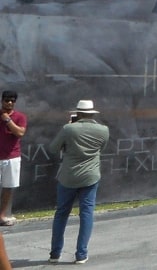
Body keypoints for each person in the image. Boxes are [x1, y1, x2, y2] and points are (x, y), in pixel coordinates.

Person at [48, 100, 110, 264]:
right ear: (92, 113)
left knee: (61, 213)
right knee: (87, 214)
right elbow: (101, 149)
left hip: (68, 177)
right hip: (90, 176)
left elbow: (53, 148)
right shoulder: (103, 130)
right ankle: (81, 254)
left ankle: (55, 253)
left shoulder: (68, 129)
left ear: (78, 113)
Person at [0, 91, 26, 226]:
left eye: (12, 100)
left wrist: (7, 120)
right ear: (2, 100)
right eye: (6, 100)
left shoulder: (20, 116)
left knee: (8, 187)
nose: (9, 103)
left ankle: (1, 216)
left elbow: (20, 132)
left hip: (12, 157)